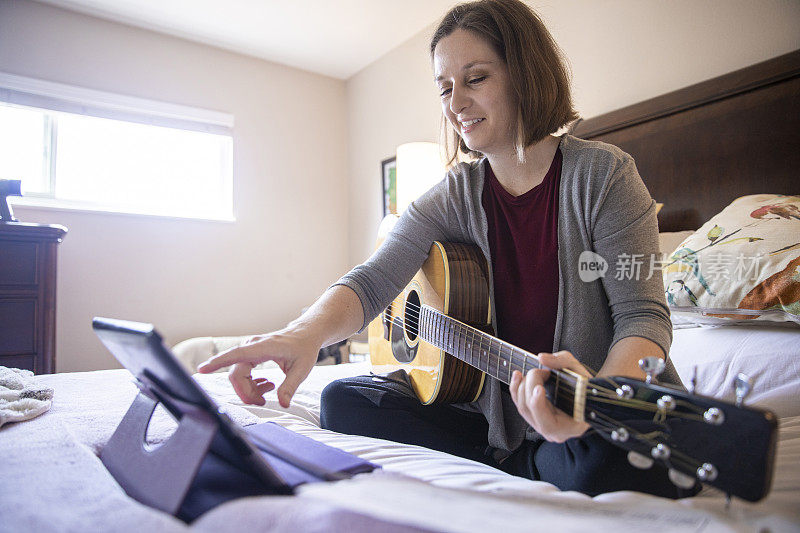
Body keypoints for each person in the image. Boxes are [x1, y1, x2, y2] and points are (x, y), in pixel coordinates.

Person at [199, 0, 694, 498]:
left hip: (593, 406)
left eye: (475, 78)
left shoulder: (605, 176)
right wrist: (301, 335)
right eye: (444, 87)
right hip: (492, 419)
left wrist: (593, 407)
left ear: (525, 74)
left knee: (602, 461)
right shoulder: (453, 195)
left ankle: (534, 456)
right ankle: (519, 459)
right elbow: (371, 282)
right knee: (342, 401)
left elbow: (644, 319)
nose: (455, 103)